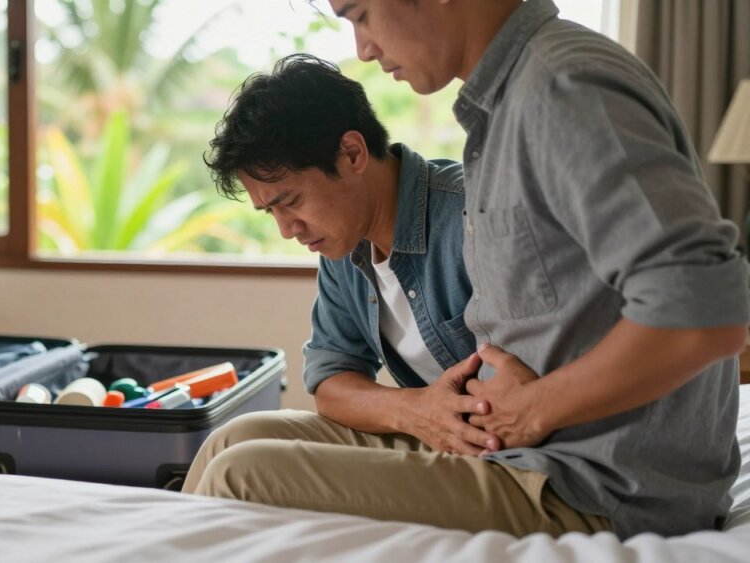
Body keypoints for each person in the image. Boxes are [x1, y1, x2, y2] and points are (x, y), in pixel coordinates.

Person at [312, 0, 749, 540]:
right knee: (241, 439)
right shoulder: (506, 108)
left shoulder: (563, 86)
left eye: (360, 14)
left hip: (589, 486)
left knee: (247, 470)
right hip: (520, 454)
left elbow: (705, 313)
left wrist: (535, 410)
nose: (363, 48)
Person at [182, 53, 613, 537]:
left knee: (245, 472)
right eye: (271, 214)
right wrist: (418, 411)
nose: (287, 230)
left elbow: (514, 404)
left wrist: (429, 415)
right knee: (235, 438)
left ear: (352, 154)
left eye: (291, 201)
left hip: (545, 471)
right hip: (457, 443)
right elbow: (330, 381)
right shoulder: (344, 246)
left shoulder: (475, 220)